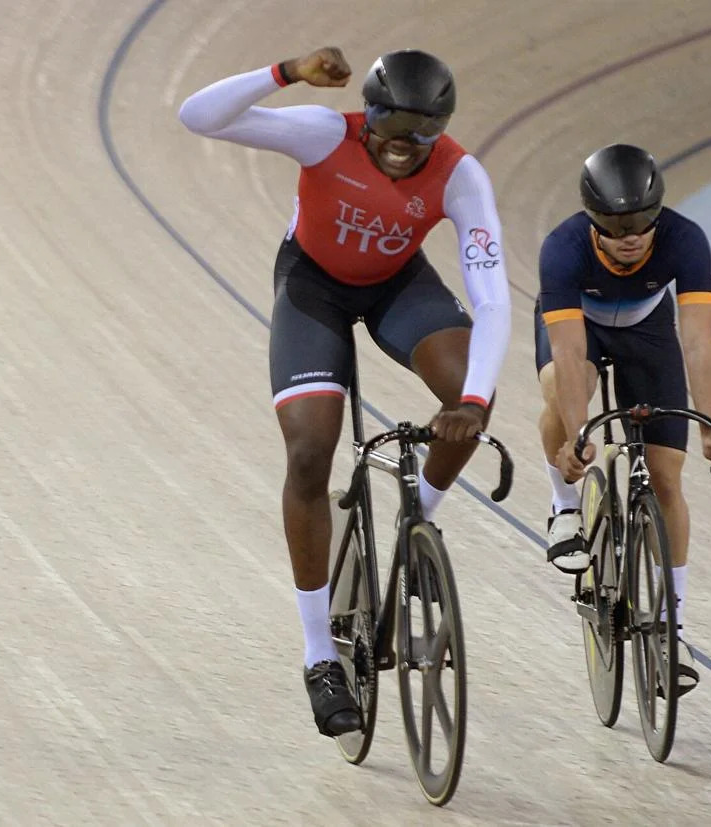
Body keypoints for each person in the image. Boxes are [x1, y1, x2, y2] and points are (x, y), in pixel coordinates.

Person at [179, 47, 510, 737]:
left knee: (470, 391)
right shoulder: (323, 132)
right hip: (313, 288)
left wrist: (472, 404)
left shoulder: (461, 175)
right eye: (389, 131)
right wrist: (284, 71)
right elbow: (198, 116)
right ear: (369, 118)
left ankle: (419, 516)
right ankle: (319, 654)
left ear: (440, 129)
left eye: (420, 138)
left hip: (399, 286)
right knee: (308, 453)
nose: (401, 148)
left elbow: (493, 299)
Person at [534, 143, 711, 693]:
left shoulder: (685, 239)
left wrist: (710, 427)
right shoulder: (562, 249)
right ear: (592, 220)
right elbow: (569, 350)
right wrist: (580, 436)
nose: (631, 234)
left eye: (642, 221)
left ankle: (674, 628)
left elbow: (697, 341)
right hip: (582, 327)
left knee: (667, 477)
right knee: (560, 386)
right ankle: (563, 507)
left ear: (659, 213)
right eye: (616, 223)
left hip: (648, 333)